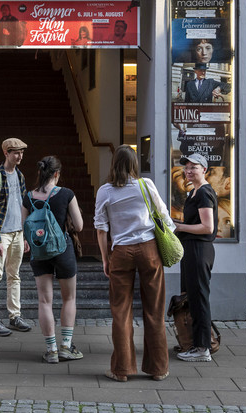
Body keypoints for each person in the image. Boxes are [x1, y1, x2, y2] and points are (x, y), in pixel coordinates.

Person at [94, 145, 172, 382]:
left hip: (121, 251)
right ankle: (158, 369)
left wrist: (106, 259)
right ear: (134, 164)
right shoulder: (146, 185)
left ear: (113, 164)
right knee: (154, 310)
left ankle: (122, 370)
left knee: (120, 311)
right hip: (149, 249)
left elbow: (101, 229)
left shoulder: (105, 191)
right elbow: (165, 217)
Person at [21, 156, 84, 364]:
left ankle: (51, 350)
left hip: (39, 253)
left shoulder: (28, 197)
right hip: (62, 250)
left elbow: (23, 227)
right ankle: (66, 346)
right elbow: (80, 225)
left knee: (44, 301)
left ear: (41, 172)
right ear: (56, 174)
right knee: (69, 298)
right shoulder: (66, 194)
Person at [0, 138, 31, 336]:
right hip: (1, 232)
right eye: (16, 153)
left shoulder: (20, 176)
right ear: (6, 153)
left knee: (14, 276)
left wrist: (25, 235)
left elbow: (23, 207)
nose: (19, 156)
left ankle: (14, 316)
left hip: (18, 232)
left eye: (21, 153)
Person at [174, 153, 218, 363]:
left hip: (200, 250)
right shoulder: (194, 192)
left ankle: (202, 349)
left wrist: (179, 227)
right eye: (187, 167)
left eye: (194, 167)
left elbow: (207, 228)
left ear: (205, 170)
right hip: (191, 250)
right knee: (192, 297)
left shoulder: (204, 193)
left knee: (199, 299)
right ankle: (193, 342)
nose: (189, 170)